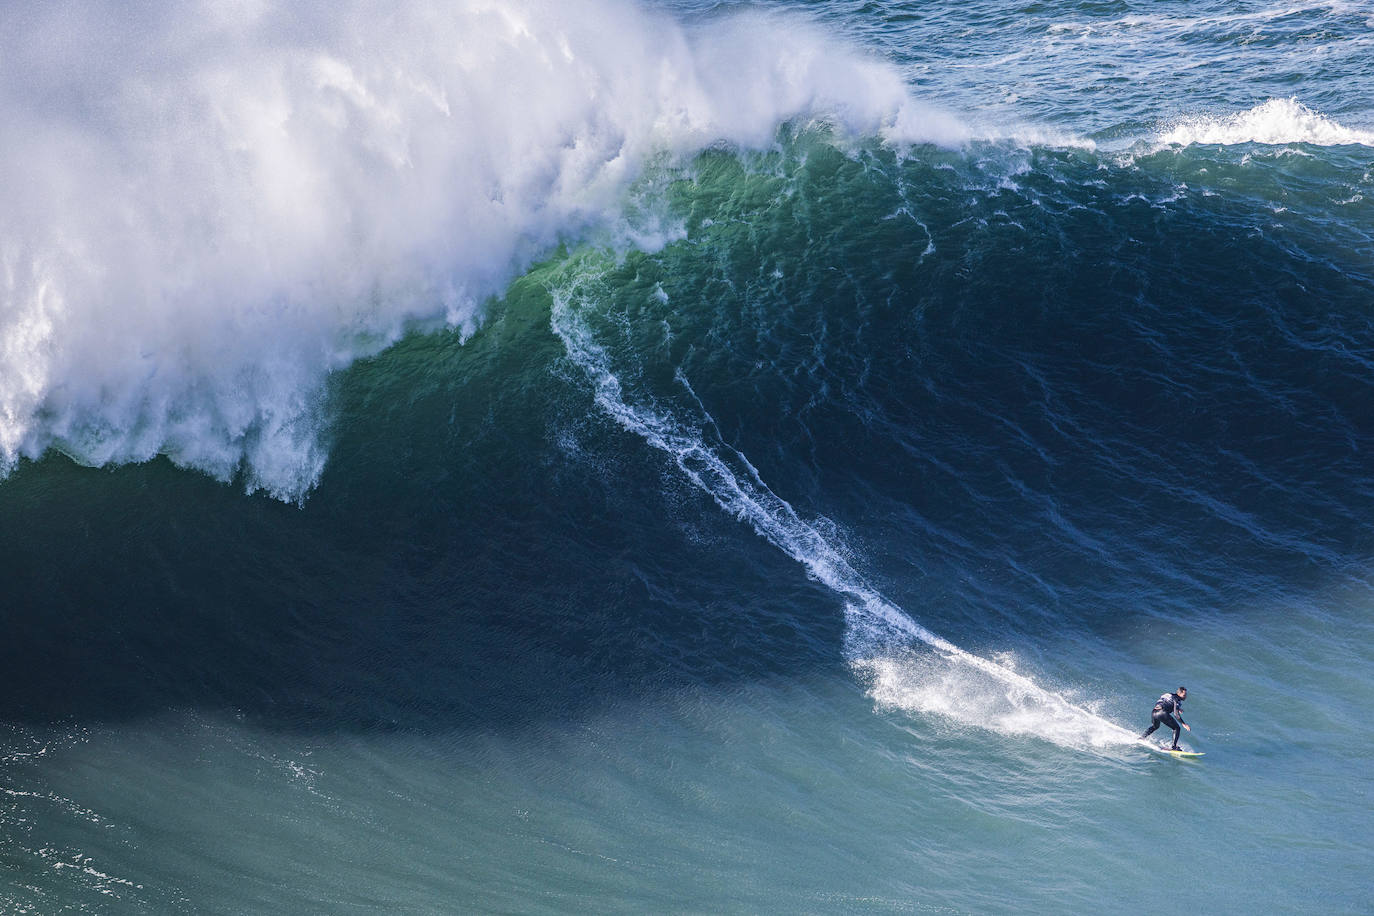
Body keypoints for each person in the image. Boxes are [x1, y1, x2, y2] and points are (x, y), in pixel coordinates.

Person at [1140, 686, 1190, 750]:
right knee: (1177, 728)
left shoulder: (1169, 694)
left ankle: (1142, 738)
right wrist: (1184, 724)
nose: (1185, 696)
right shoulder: (1177, 700)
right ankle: (1174, 747)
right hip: (1162, 713)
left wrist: (1177, 708)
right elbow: (1176, 714)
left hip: (1154, 712)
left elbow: (1164, 701)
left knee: (1155, 726)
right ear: (1179, 694)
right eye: (1184, 695)